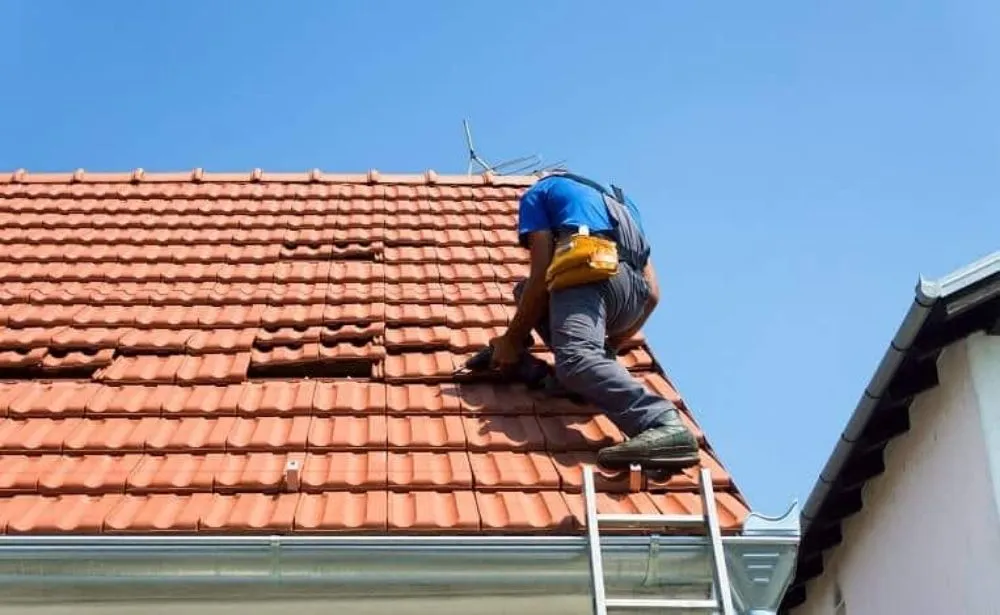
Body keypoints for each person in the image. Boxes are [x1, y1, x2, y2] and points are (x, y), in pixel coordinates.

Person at [488, 170, 700, 470]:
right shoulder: (622, 204)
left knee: (574, 357)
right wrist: (611, 347)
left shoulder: (538, 194)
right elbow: (653, 294)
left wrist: (510, 341)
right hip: (631, 298)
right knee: (526, 295)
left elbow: (539, 278)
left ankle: (661, 423)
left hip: (590, 272)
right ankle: (583, 379)